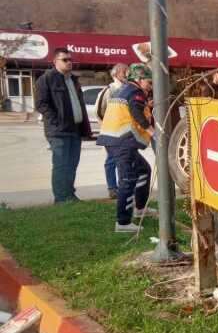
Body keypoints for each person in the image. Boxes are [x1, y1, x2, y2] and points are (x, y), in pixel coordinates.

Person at [96, 63, 157, 233]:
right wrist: (152, 132)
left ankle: (139, 208)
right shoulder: (135, 92)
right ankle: (123, 223)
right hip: (122, 141)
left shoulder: (123, 90)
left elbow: (129, 110)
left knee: (143, 169)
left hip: (115, 139)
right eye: (148, 82)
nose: (150, 86)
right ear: (138, 79)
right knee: (127, 179)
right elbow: (136, 113)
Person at [35, 47, 92, 203]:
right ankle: (61, 199)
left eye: (70, 59)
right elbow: (41, 104)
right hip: (58, 130)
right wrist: (56, 121)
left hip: (75, 129)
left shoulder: (73, 80)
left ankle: (70, 195)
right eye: (65, 60)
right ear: (55, 62)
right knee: (61, 164)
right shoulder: (46, 79)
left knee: (72, 164)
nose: (69, 62)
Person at [96, 63, 128, 198]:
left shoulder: (128, 89)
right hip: (111, 131)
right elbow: (99, 111)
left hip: (125, 132)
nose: (126, 74)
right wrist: (109, 124)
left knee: (124, 160)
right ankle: (112, 188)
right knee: (111, 160)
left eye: (127, 71)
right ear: (115, 74)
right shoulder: (108, 90)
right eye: (123, 72)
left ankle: (124, 186)